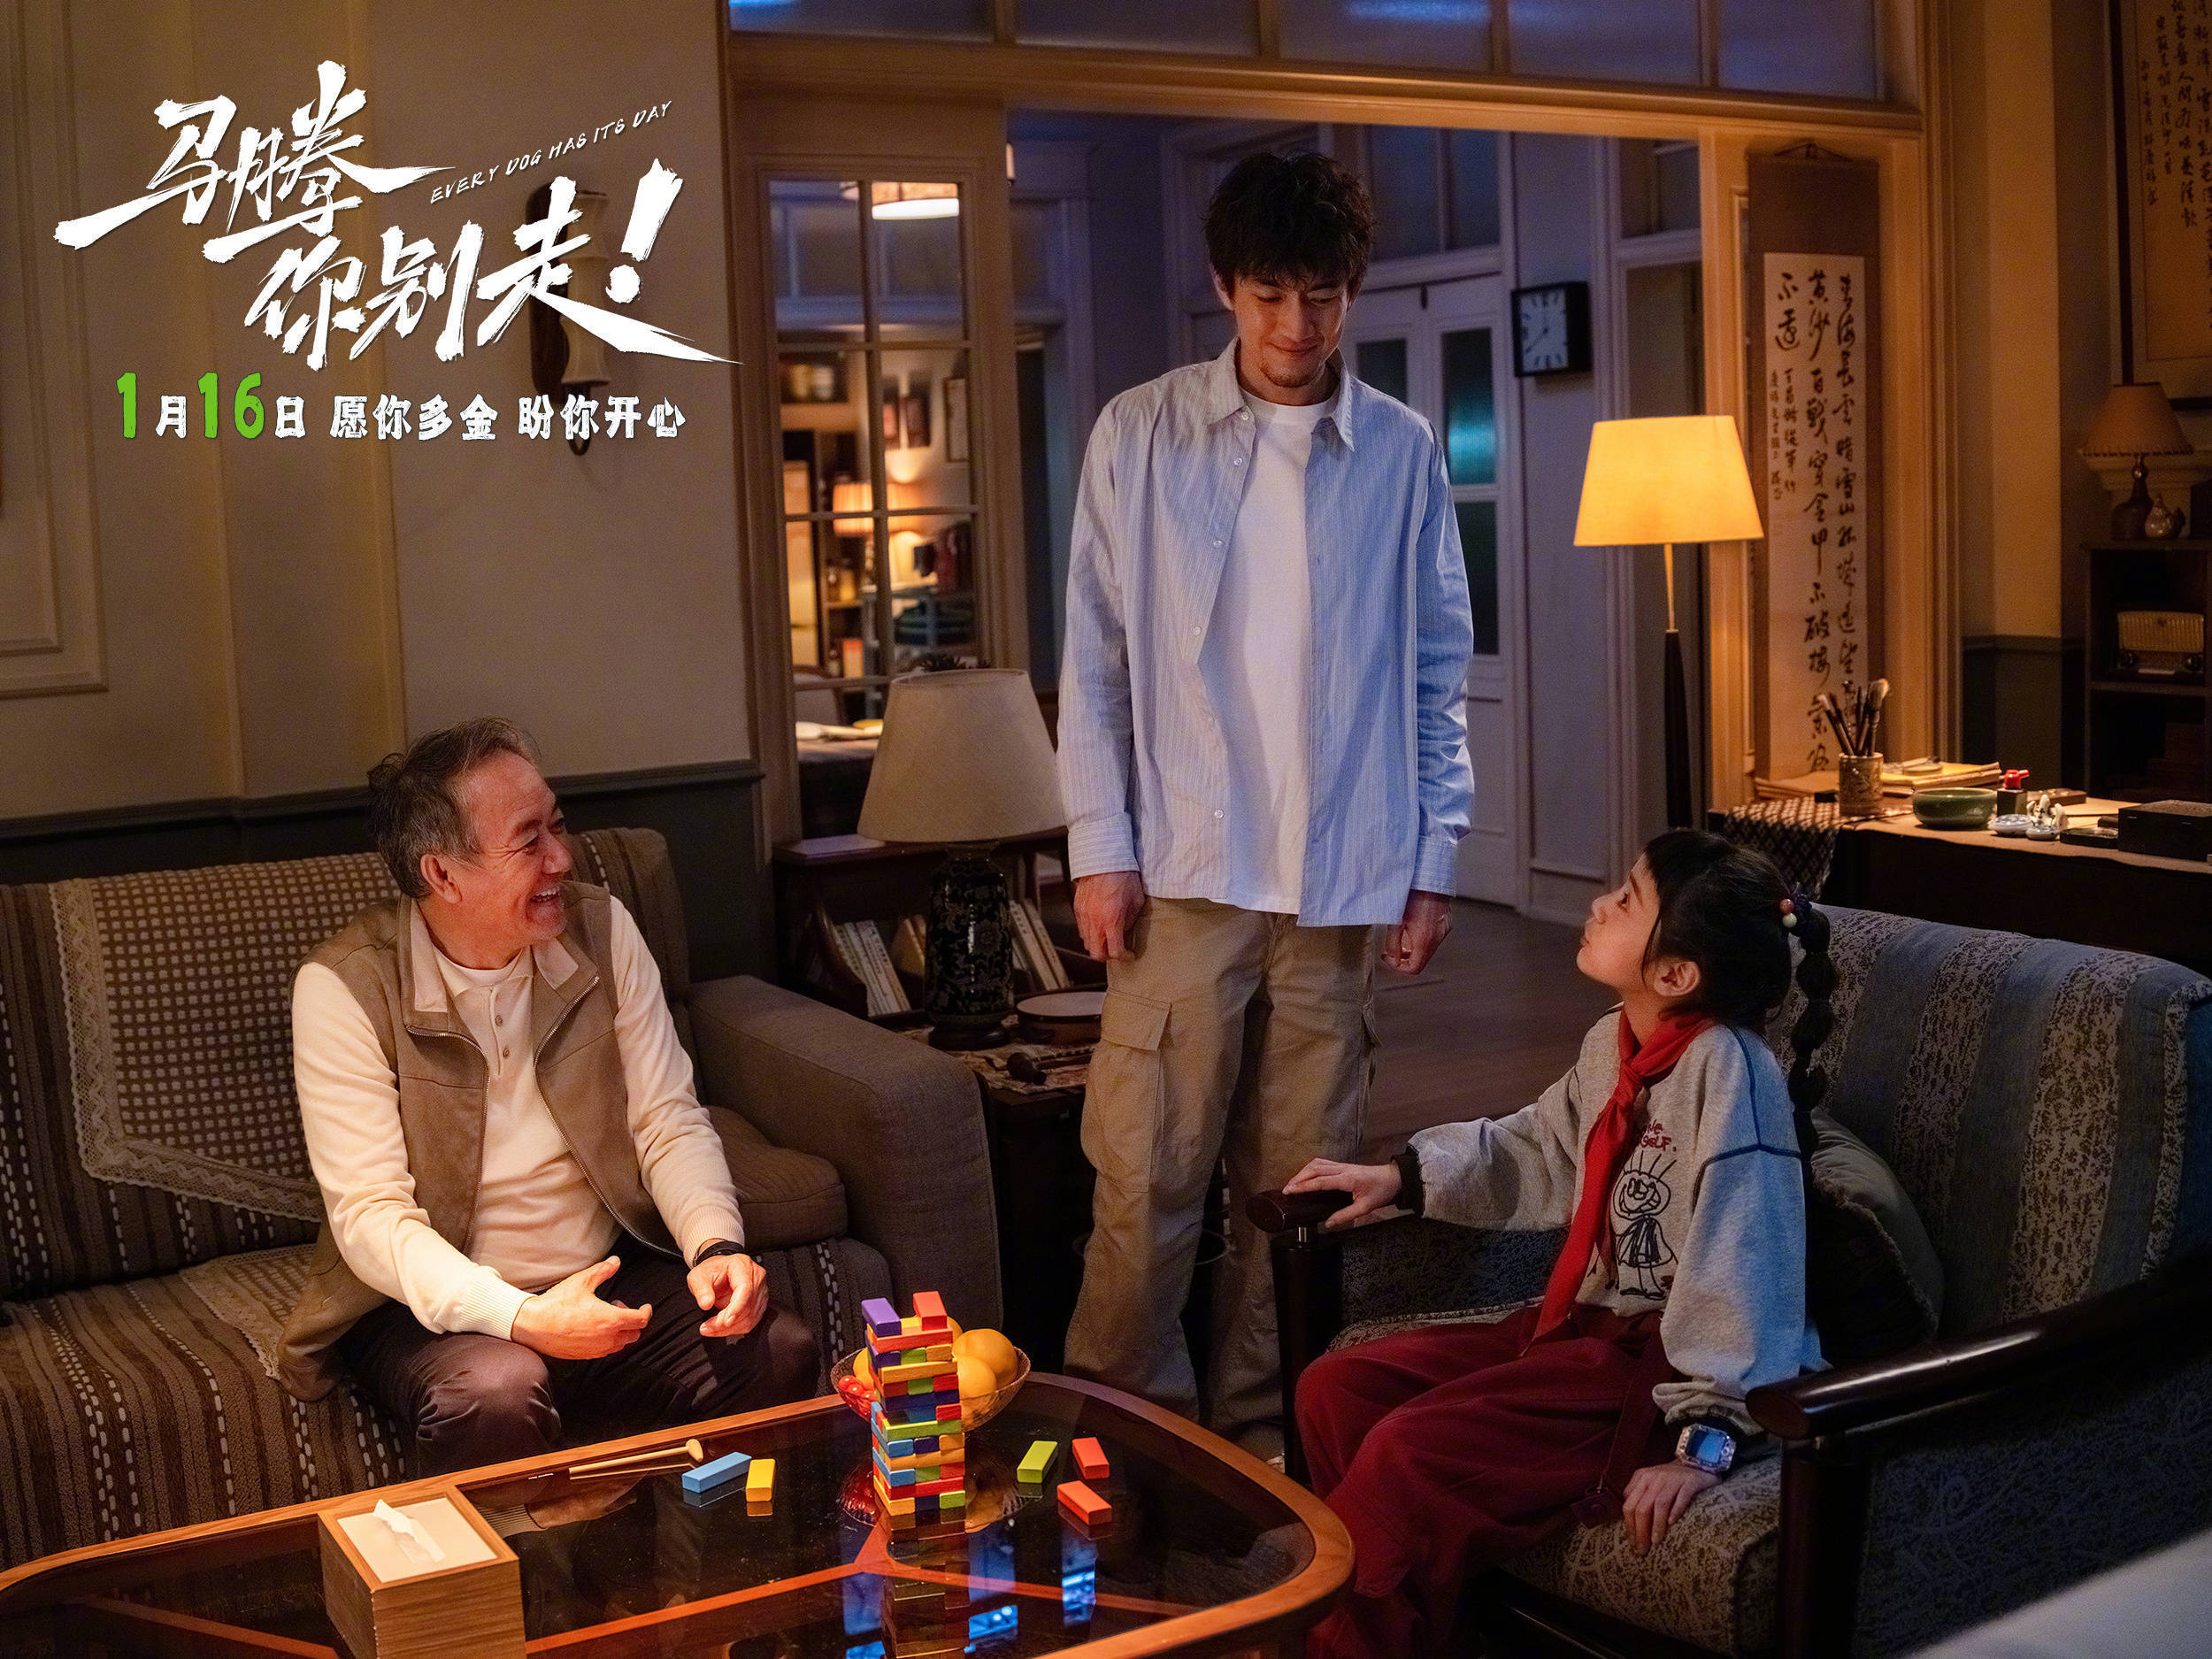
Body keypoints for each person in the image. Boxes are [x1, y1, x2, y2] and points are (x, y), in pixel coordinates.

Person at [1056, 150, 1476, 1455]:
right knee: (1145, 1178)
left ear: (1353, 293)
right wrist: (1099, 849)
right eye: (1271, 296)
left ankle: (1255, 1452)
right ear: (1224, 287)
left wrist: (1434, 856)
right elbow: (1095, 658)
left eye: (1325, 297)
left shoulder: (1401, 450)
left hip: (1341, 881)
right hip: (1183, 870)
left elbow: (1436, 666)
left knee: (1298, 1197)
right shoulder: (1139, 433)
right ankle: (1124, 1445)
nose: (1298, 327)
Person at [1284, 831, 1830, 1658]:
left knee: (1405, 1452)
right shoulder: (1614, 1039)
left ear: (1675, 974)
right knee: (1335, 1388)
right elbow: (1542, 1146)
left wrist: (1704, 1442)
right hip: (1579, 1327)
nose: (1597, 904)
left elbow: (1746, 1260)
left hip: (1659, 1368)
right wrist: (1404, 1176)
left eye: (1626, 901)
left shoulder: (1731, 1072)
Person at [278, 717, 818, 1479]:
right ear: (443, 875)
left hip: (602, 1268)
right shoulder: (344, 987)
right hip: (425, 1303)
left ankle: (704, 1555)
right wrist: (522, 1317)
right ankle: (507, 1566)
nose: (562, 857)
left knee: (775, 1349)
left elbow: (666, 1119)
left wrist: (715, 1244)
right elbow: (372, 1218)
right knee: (496, 1392)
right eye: (529, 841)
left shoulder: (603, 929)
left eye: (557, 826)